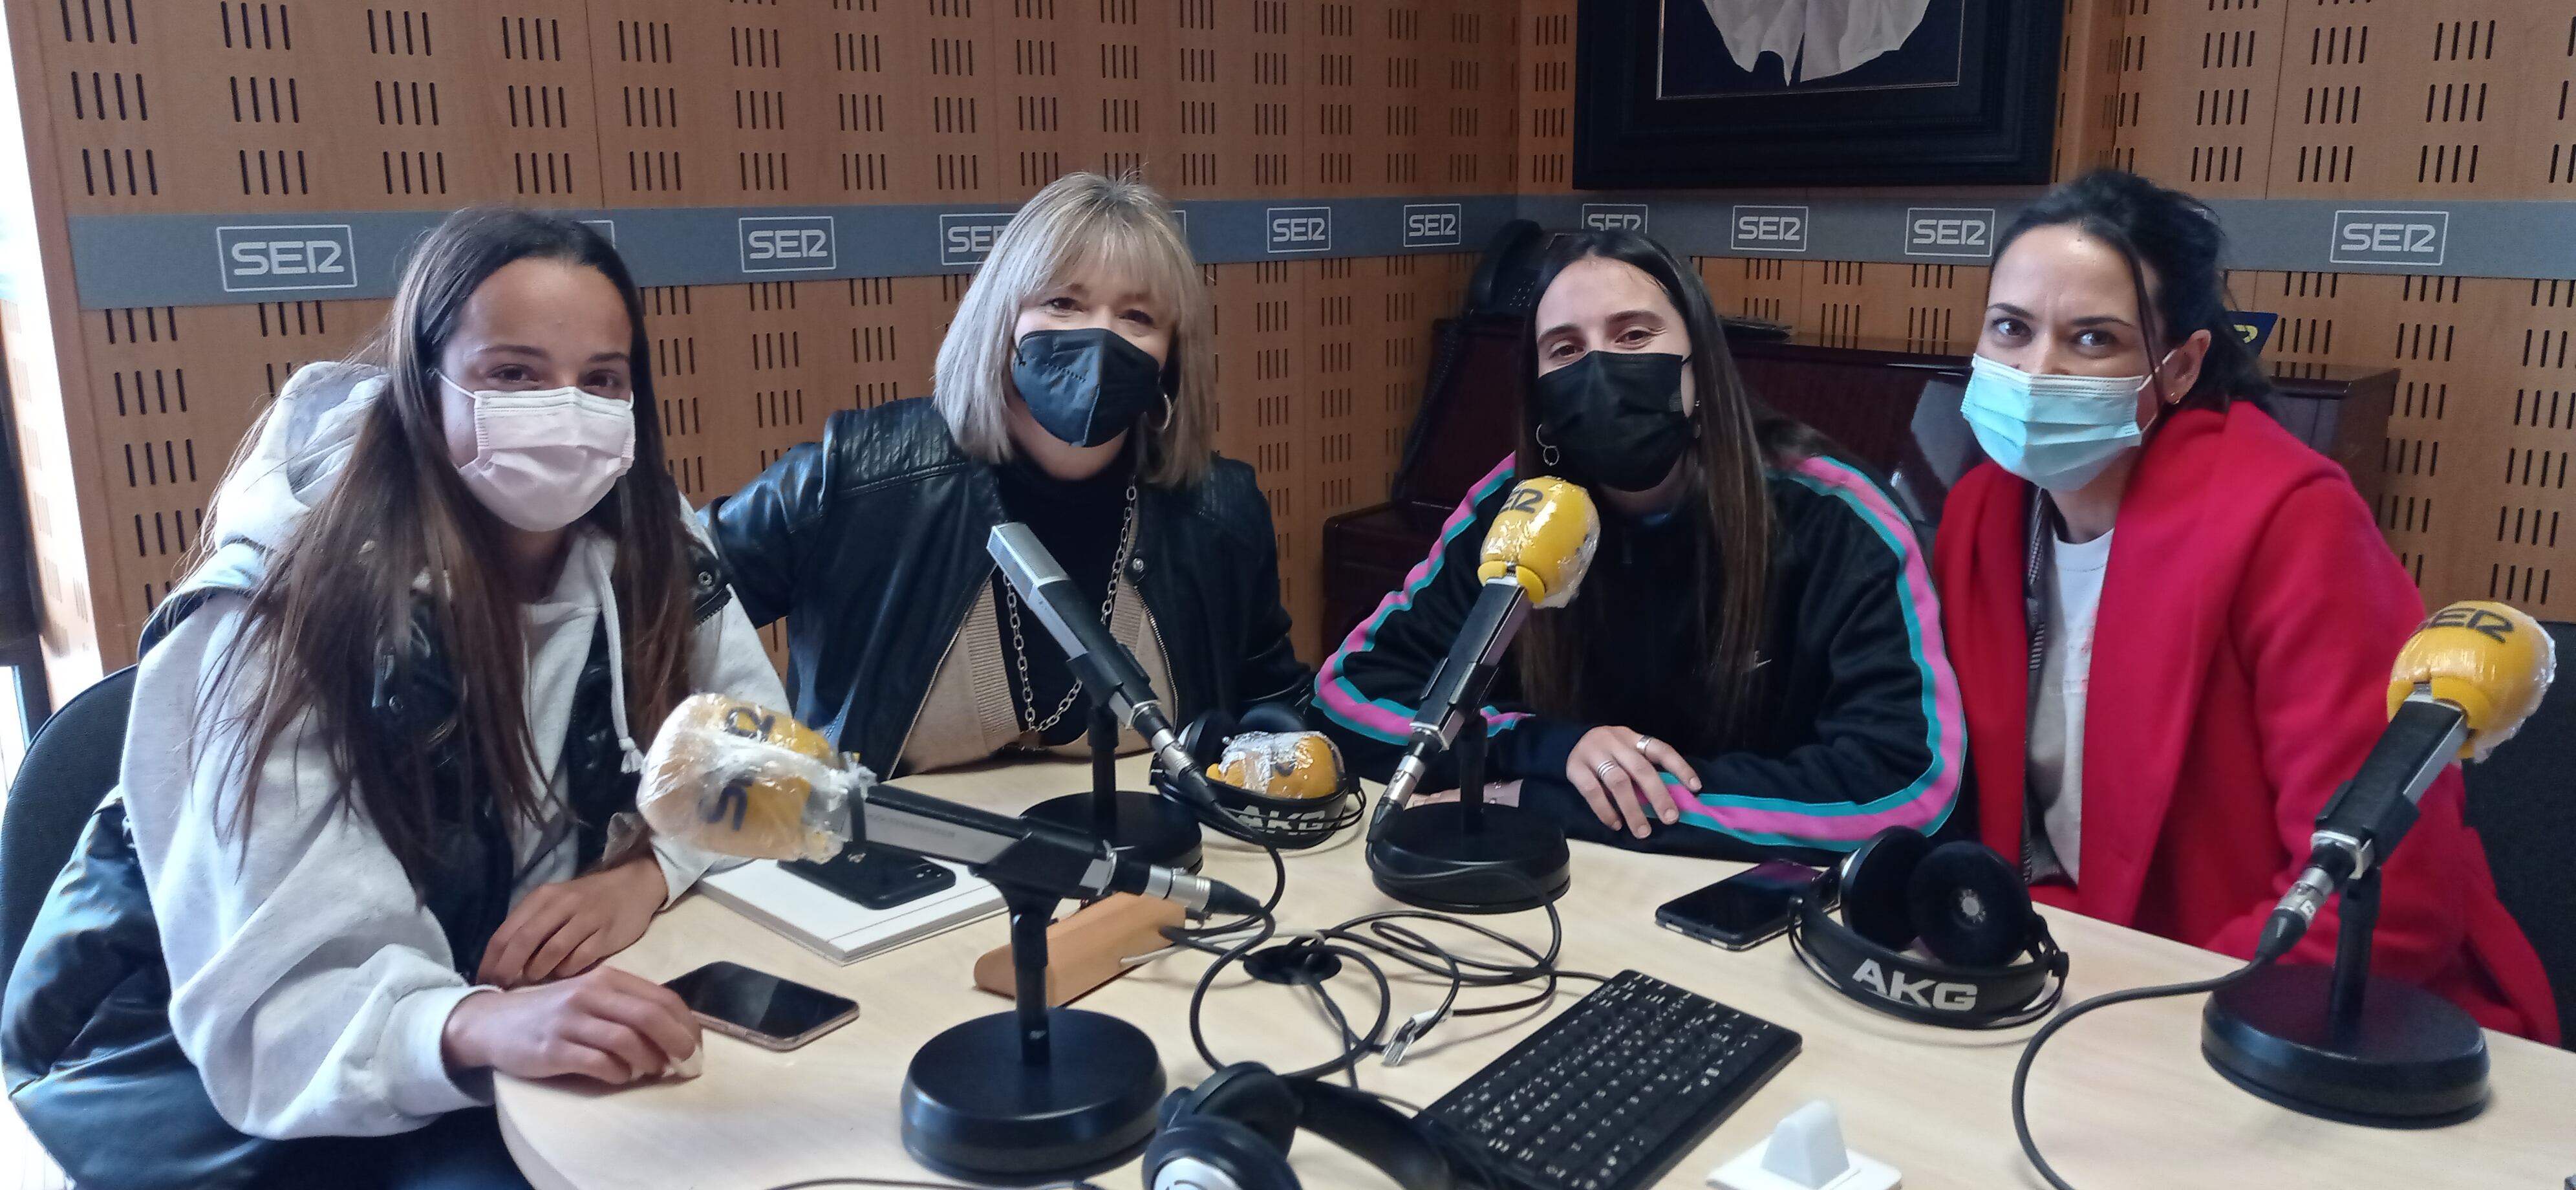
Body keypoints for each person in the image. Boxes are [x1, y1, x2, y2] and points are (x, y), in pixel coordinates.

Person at [3, 209, 789, 1187]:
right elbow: (278, 1002)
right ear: (426, 385)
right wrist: (473, 1023)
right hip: (204, 1076)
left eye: (601, 380)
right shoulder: (284, 612)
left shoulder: (645, 545)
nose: (565, 409)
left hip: (465, 1021)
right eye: (513, 374)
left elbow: (762, 774)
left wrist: (648, 874)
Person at [1931, 169, 2558, 1042]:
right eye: (2012, 329)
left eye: (2092, 339)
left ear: (2181, 365)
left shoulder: (2290, 520)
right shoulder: (1982, 516)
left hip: (2316, 1010)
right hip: (2086, 990)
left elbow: (2394, 893)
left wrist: (2135, 1020)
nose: (2037, 372)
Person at [1316, 229, 1963, 857]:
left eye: (1632, 336)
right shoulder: (1510, 508)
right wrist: (1539, 747)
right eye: (1566, 350)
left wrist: (1554, 802)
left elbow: (1905, 787)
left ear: (1700, 368)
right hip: (1565, 887)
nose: (1600, 370)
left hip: (1751, 896)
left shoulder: (1837, 517)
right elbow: (1348, 693)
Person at [707, 171, 1305, 774]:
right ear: (1003, 322)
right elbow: (663, 606)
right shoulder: (858, 476)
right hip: (891, 861)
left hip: (1147, 857)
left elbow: (1271, 709)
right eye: (1062, 303)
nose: (1097, 336)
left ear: (1171, 359)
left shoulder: (1221, 513)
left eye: (1137, 317)